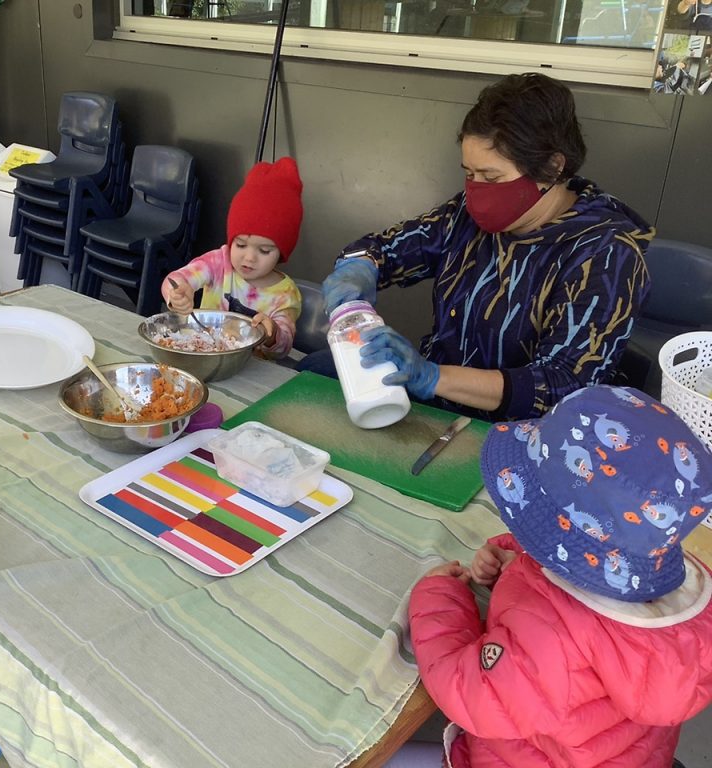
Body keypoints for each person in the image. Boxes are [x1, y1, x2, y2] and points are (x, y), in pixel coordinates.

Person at [304, 73, 652, 420]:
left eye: (492, 177)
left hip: (517, 433)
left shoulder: (606, 253)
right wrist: (360, 266)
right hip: (438, 402)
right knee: (314, 372)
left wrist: (434, 377)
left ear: (551, 167)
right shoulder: (467, 217)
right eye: (469, 173)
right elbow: (388, 248)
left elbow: (561, 385)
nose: (477, 190)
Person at [397, 385, 712, 768]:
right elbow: (586, 565)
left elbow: (468, 693)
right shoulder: (667, 574)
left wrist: (439, 595)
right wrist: (517, 557)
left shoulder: (549, 638)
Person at [161, 156, 303, 360]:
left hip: (250, 373)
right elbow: (175, 279)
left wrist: (271, 335)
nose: (249, 257)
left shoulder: (285, 294)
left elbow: (284, 347)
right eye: (241, 245)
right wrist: (177, 295)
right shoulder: (219, 262)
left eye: (264, 250)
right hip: (201, 356)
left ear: (281, 252)